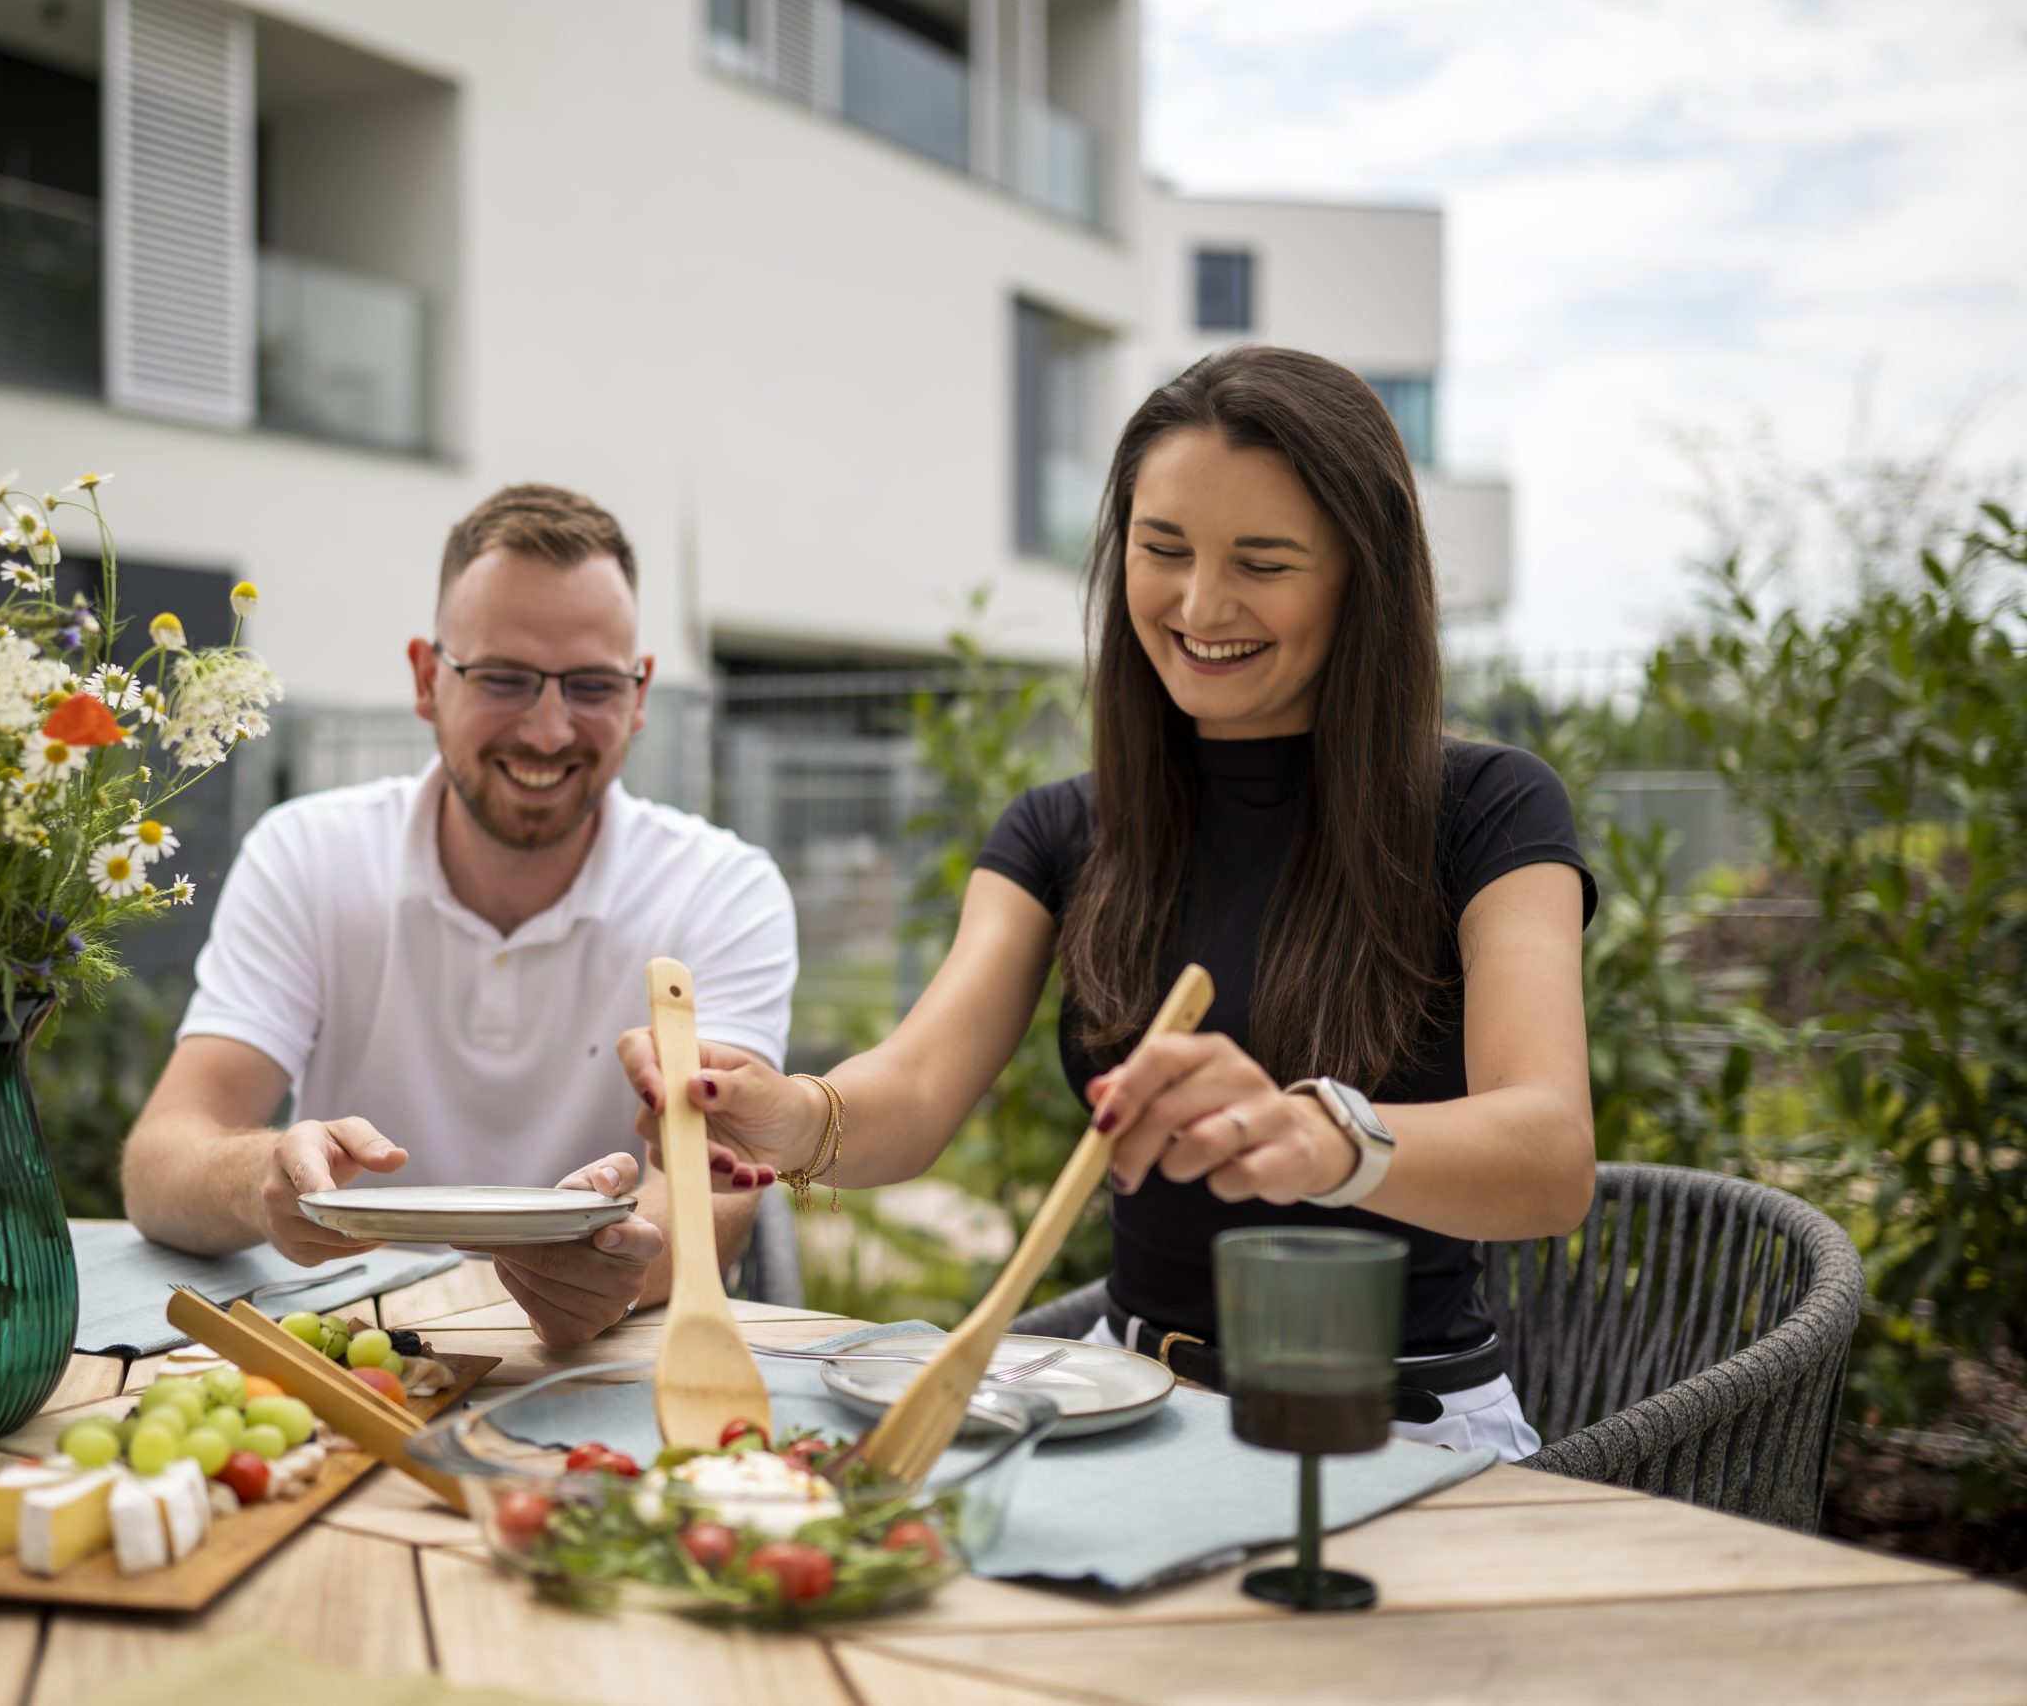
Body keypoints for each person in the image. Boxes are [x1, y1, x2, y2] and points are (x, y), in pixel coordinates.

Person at [619, 347, 1596, 1454]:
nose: (1199, 603)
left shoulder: (1490, 809)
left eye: (1263, 563)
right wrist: (796, 1116)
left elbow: (1549, 1154)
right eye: (1162, 549)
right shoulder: (1059, 832)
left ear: (1359, 576)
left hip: (1401, 1426)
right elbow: (916, 1087)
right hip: (1123, 1413)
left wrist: (1320, 1133)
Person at [125, 484, 794, 1345]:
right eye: (505, 678)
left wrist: (619, 1260)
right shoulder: (307, 854)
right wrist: (265, 1173)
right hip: (357, 1358)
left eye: (591, 684)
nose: (549, 730)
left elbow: (718, 1183)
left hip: (605, 1360)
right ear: (426, 679)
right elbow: (161, 1157)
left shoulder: (722, 887)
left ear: (638, 697)